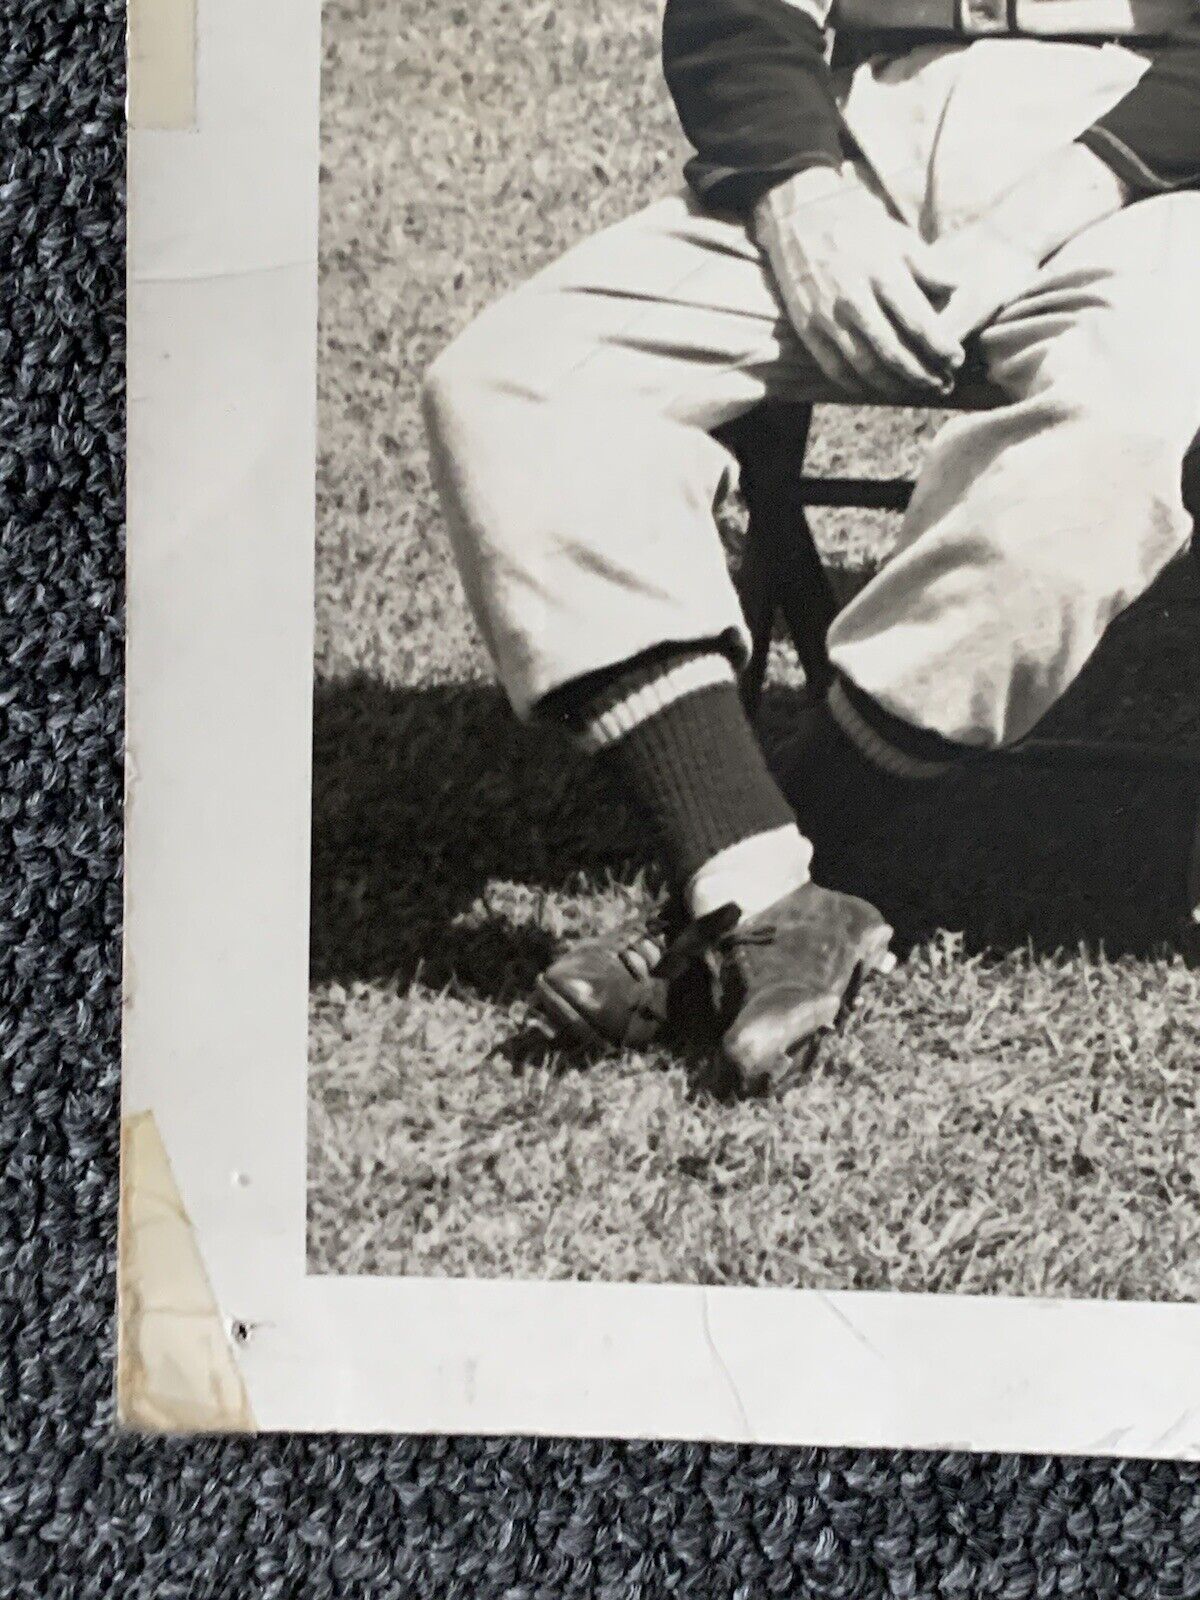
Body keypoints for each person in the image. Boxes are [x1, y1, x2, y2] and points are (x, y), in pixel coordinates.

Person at [423, 0, 1200, 1094]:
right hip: (864, 147)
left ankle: (741, 884)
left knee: (1114, 442)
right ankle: (776, 896)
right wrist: (801, 193)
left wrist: (1028, 222)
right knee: (516, 387)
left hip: (1151, 162)